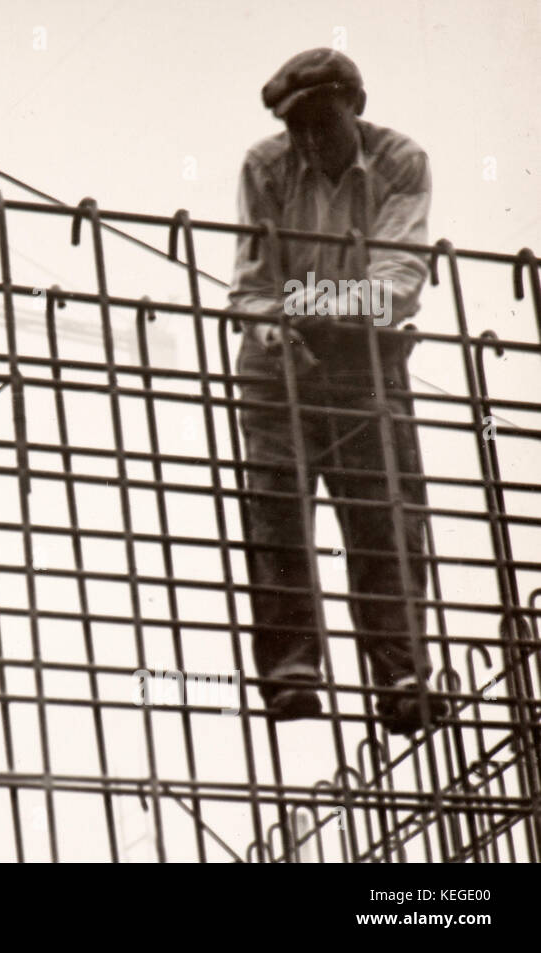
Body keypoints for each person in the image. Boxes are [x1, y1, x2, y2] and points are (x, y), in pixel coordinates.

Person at [229, 50, 448, 735]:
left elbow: (398, 276)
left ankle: (402, 673)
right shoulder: (265, 166)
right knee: (276, 507)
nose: (311, 140)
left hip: (363, 358)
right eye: (297, 128)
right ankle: (292, 669)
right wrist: (277, 327)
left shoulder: (400, 160)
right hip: (279, 361)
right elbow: (253, 286)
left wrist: (315, 303)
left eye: (322, 122)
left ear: (353, 107)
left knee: (384, 512)